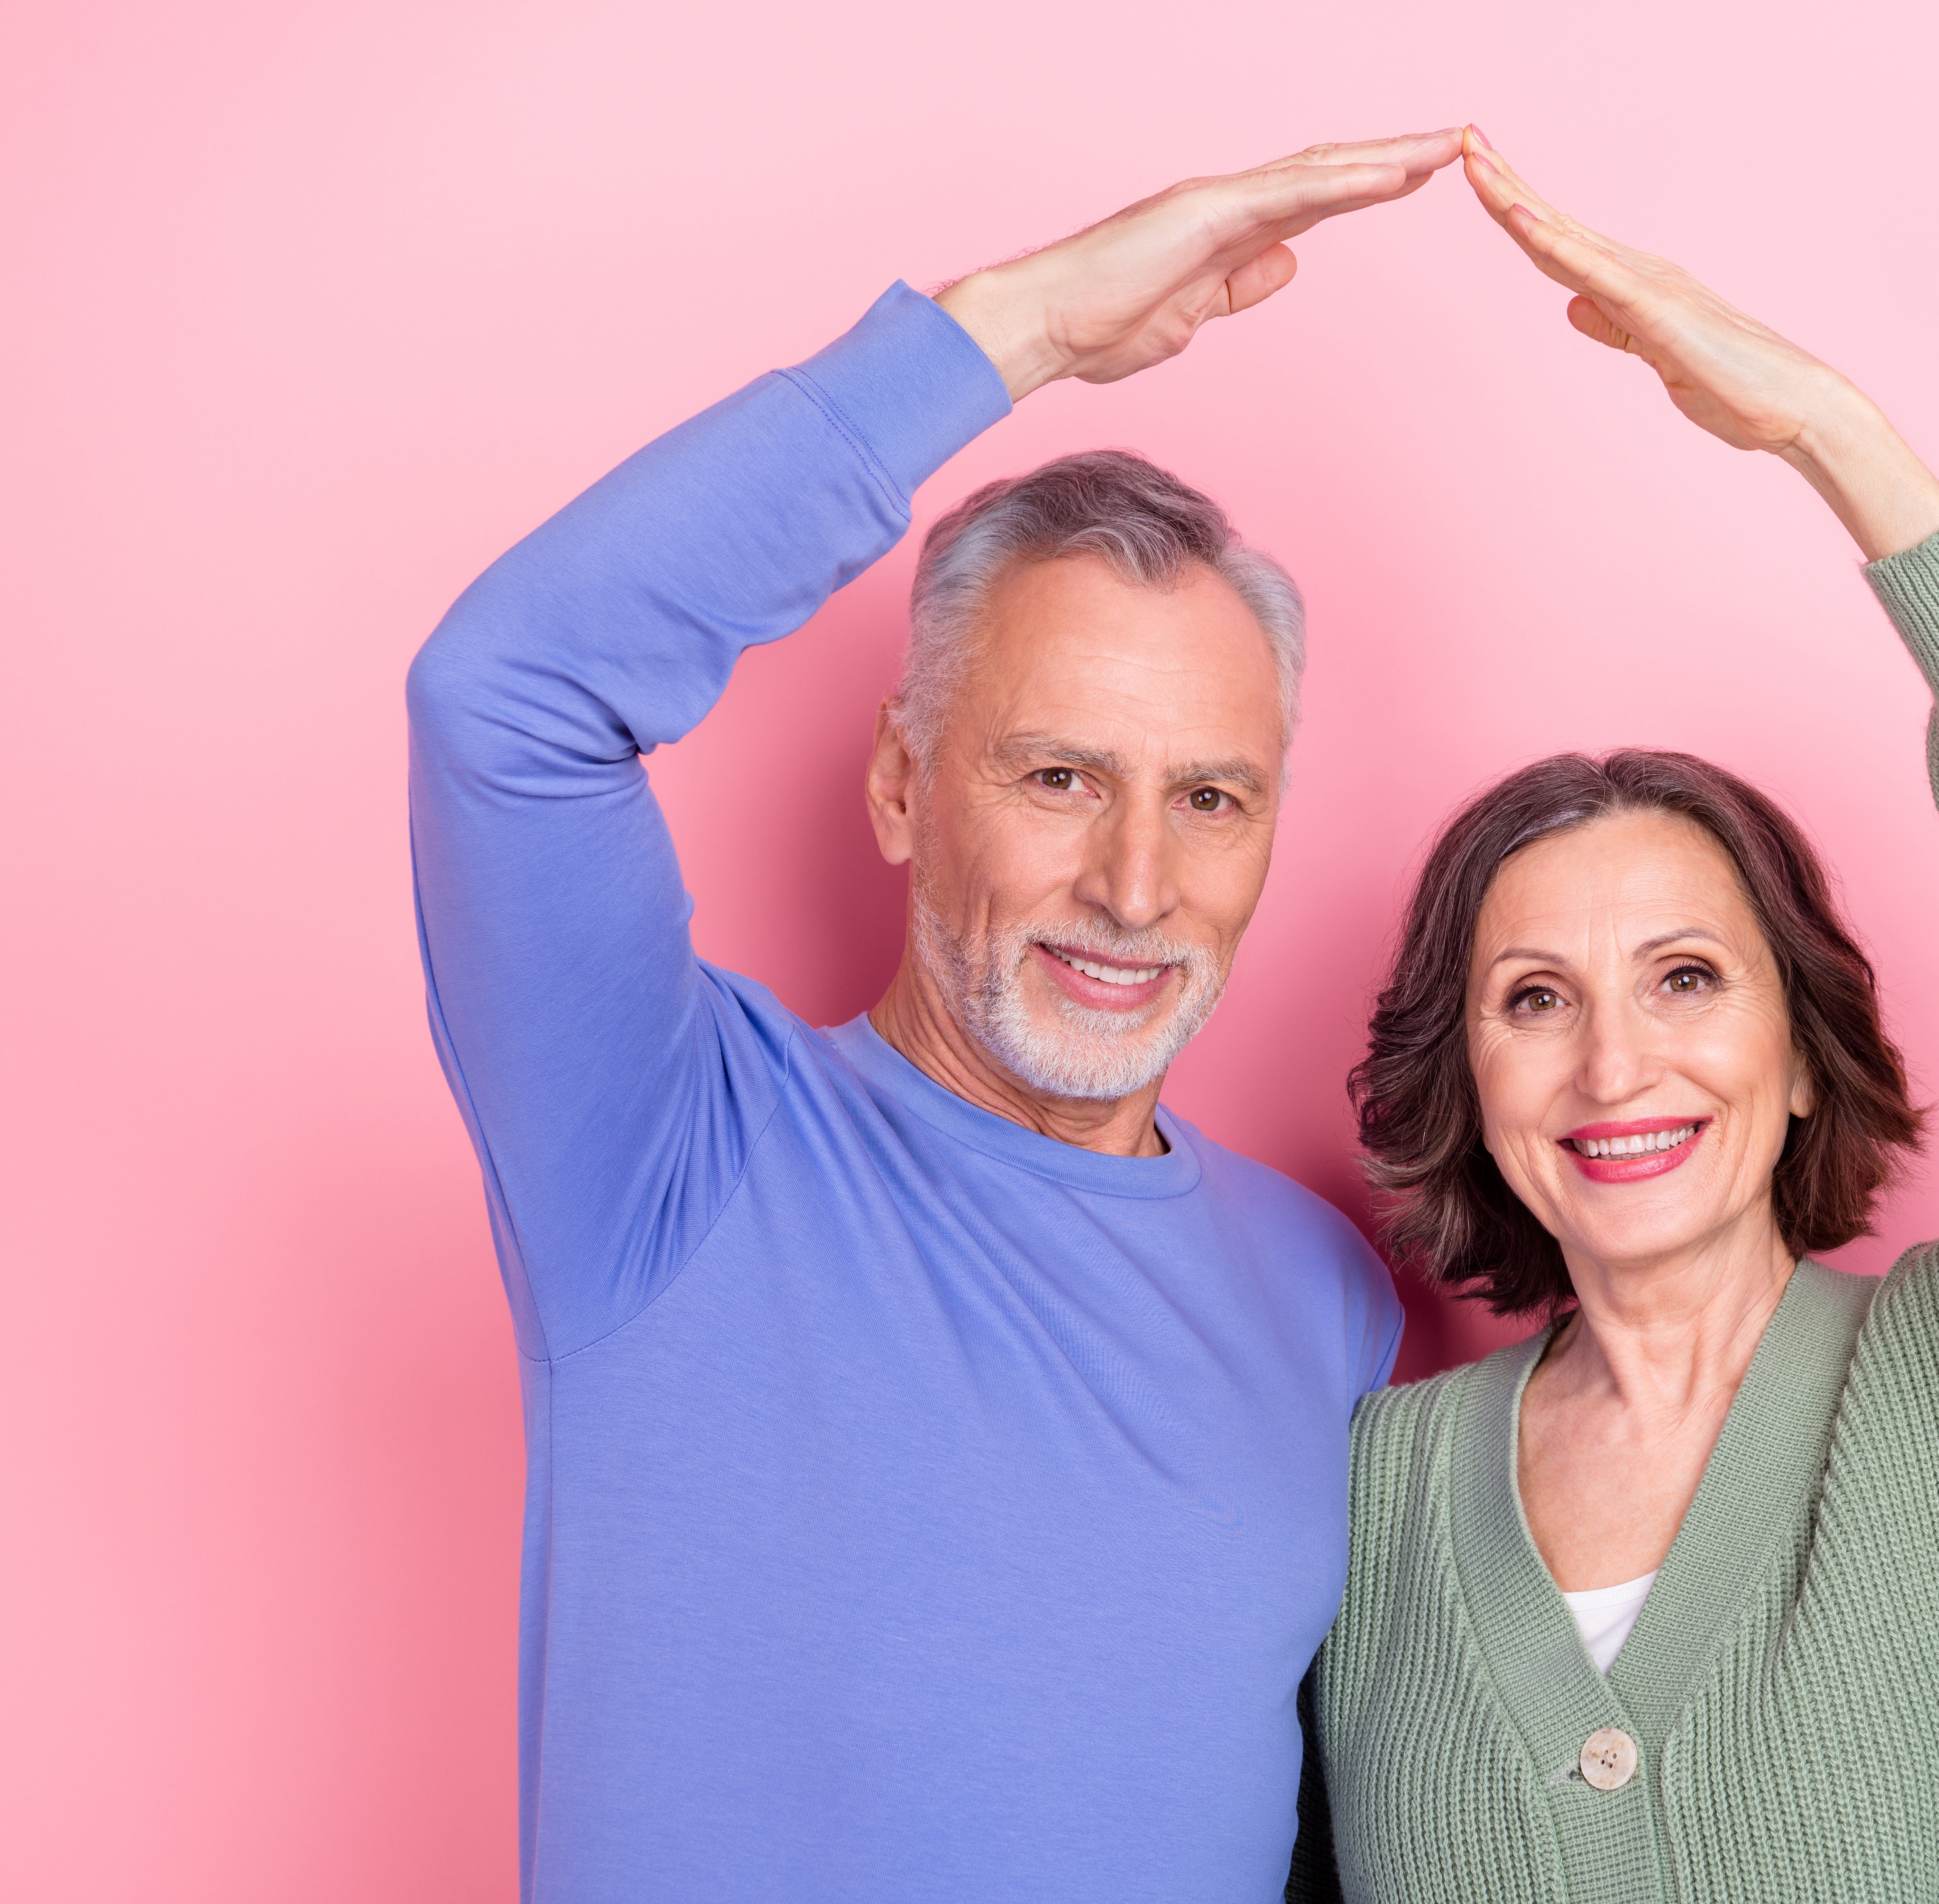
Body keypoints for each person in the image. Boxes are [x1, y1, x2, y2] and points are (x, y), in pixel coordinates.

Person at [406, 130, 1464, 1902]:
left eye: (1212, 798)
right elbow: (505, 693)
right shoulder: (670, 1153)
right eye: (1060, 776)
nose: (1138, 885)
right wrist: (1024, 327)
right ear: (904, 785)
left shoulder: (1328, 1293)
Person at [1295, 129, 1939, 1902]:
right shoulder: (1372, 1497)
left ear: (1808, 1043)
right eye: (1535, 999)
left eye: (1688, 976)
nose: (1616, 1064)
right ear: (1468, 1083)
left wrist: (1834, 439)